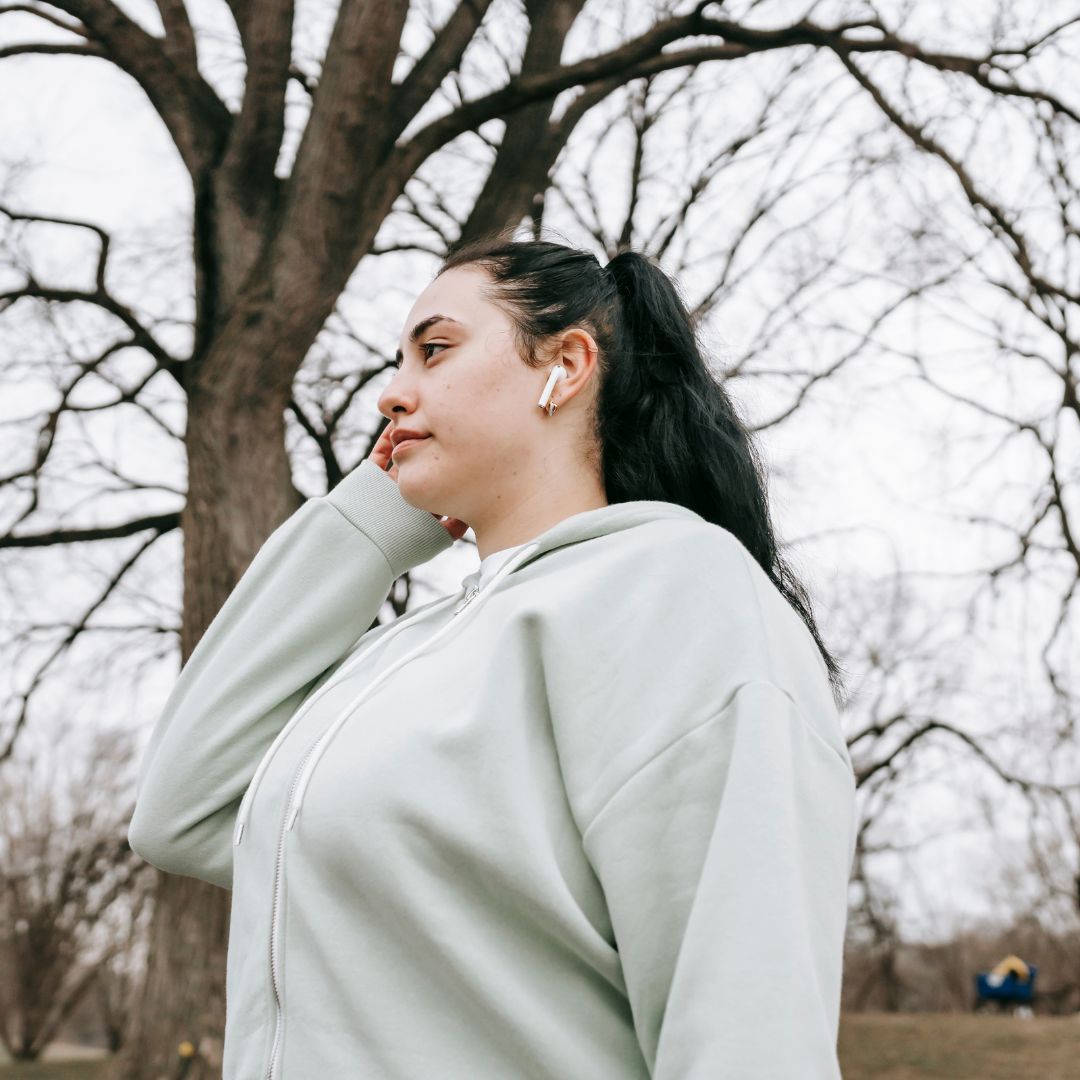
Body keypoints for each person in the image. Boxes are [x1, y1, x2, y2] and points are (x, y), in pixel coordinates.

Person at [127, 235, 858, 1079]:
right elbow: (180, 813)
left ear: (567, 366)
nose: (390, 395)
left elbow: (746, 1028)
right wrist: (371, 521)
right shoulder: (394, 660)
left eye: (434, 350)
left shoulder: (676, 587)